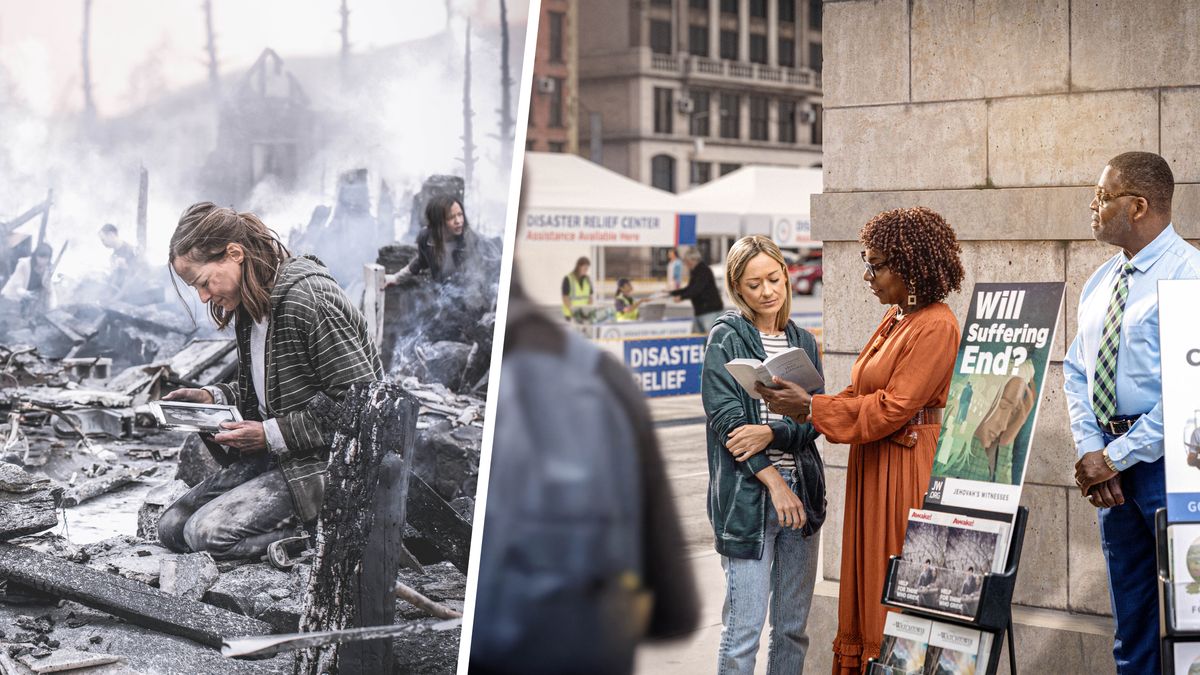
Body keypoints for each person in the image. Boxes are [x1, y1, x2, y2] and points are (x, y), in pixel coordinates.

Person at [757, 206, 964, 672]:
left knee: (894, 581)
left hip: (907, 468)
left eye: (875, 264)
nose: (867, 275)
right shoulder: (898, 316)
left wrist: (811, 407)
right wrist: (804, 408)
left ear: (907, 267)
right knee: (870, 577)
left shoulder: (936, 324)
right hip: (878, 460)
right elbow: (862, 391)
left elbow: (893, 407)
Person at [157, 202, 382, 560]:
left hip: (327, 466)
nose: (203, 297)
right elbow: (272, 394)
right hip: (282, 460)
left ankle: (317, 536)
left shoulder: (310, 301)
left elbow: (364, 409)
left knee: (205, 535)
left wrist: (268, 435)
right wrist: (211, 397)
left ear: (234, 254)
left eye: (203, 282)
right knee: (171, 528)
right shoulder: (252, 307)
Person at [1065, 151, 1200, 674]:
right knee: (1132, 625)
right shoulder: (1101, 282)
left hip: (1174, 469)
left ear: (1139, 205)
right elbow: (1077, 370)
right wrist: (1092, 452)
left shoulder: (1189, 277)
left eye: (1103, 196)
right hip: (1112, 471)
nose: (1093, 206)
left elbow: (1192, 392)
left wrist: (1116, 456)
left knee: (1190, 619)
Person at [702, 235, 825, 674]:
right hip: (749, 500)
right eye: (754, 285)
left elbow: (814, 421)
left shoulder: (804, 342)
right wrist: (774, 483)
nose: (767, 291)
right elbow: (730, 426)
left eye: (774, 279)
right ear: (738, 290)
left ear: (786, 276)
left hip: (803, 496)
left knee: (792, 630)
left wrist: (771, 430)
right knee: (742, 634)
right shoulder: (726, 338)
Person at [385, 194, 480, 286]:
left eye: (460, 214)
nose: (458, 221)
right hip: (442, 294)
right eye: (451, 217)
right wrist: (396, 278)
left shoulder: (471, 241)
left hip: (466, 296)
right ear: (438, 222)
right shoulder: (426, 238)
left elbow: (480, 276)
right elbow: (421, 261)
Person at [669, 247, 723, 335]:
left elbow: (697, 289)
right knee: (698, 338)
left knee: (710, 340)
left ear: (692, 260)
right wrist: (672, 293)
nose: (685, 264)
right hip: (701, 311)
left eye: (686, 261)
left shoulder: (703, 271)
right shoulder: (696, 271)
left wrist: (681, 297)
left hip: (709, 311)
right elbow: (690, 288)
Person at [1, 243, 56, 312]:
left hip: (27, 302)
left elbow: (50, 289)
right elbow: (17, 287)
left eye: (46, 258)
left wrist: (53, 307)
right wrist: (26, 294)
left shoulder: (47, 269)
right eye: (40, 257)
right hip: (12, 299)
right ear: (35, 255)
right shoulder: (24, 264)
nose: (43, 261)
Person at [561, 256, 593, 321]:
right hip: (571, 314)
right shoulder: (568, 279)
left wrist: (589, 311)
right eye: (584, 268)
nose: (586, 270)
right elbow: (565, 298)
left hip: (584, 314)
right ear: (578, 267)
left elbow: (590, 297)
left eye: (587, 268)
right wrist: (574, 312)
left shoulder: (587, 279)